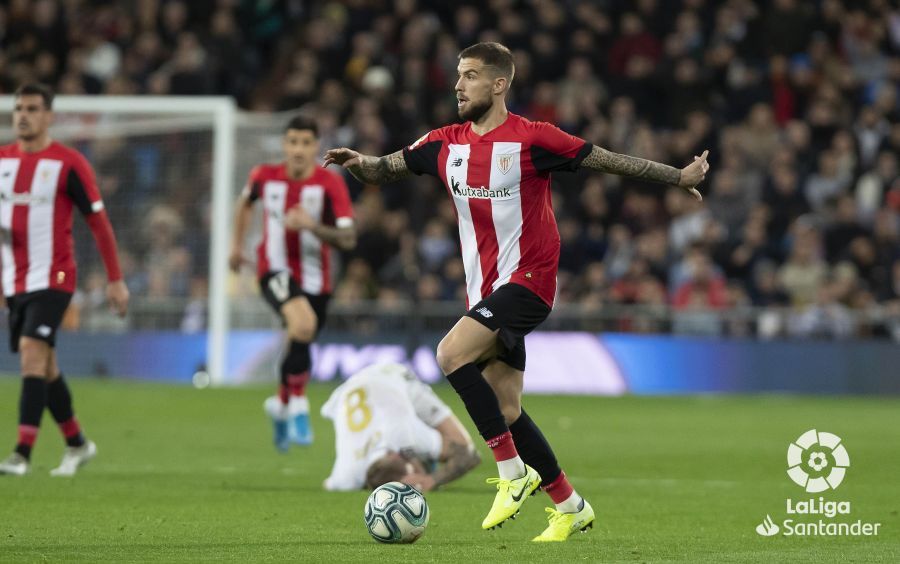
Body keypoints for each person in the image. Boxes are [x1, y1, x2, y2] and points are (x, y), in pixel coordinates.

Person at [325, 42, 709, 541]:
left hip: (529, 280)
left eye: (470, 76)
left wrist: (676, 176)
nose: (458, 85)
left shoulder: (533, 139)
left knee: (449, 354)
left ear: (499, 84)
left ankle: (511, 473)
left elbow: (606, 160)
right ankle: (570, 505)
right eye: (458, 75)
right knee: (506, 408)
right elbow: (384, 169)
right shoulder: (444, 144)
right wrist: (359, 162)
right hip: (485, 290)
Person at [0, 83, 129, 477]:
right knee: (46, 364)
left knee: (31, 351)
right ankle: (77, 443)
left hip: (55, 275)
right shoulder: (2, 160)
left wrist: (115, 279)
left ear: (49, 116)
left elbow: (98, 222)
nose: (23, 115)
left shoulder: (68, 163)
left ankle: (21, 454)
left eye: (33, 108)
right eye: (19, 108)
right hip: (14, 280)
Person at [230, 115, 356, 452]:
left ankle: (280, 403)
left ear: (316, 146)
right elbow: (244, 204)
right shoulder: (264, 176)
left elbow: (348, 238)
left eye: (305, 143)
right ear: (285, 145)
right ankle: (298, 406)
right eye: (293, 142)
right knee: (303, 324)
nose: (298, 149)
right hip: (273, 270)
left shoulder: (330, 184)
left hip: (318, 279)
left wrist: (311, 226)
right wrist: (236, 246)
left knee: (300, 337)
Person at [320, 362, 480, 492]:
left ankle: (427, 457)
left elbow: (470, 455)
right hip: (349, 390)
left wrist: (431, 480)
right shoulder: (348, 476)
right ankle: (427, 458)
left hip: (393, 378)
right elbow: (328, 484)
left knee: (461, 442)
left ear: (398, 455)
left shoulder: (403, 435)